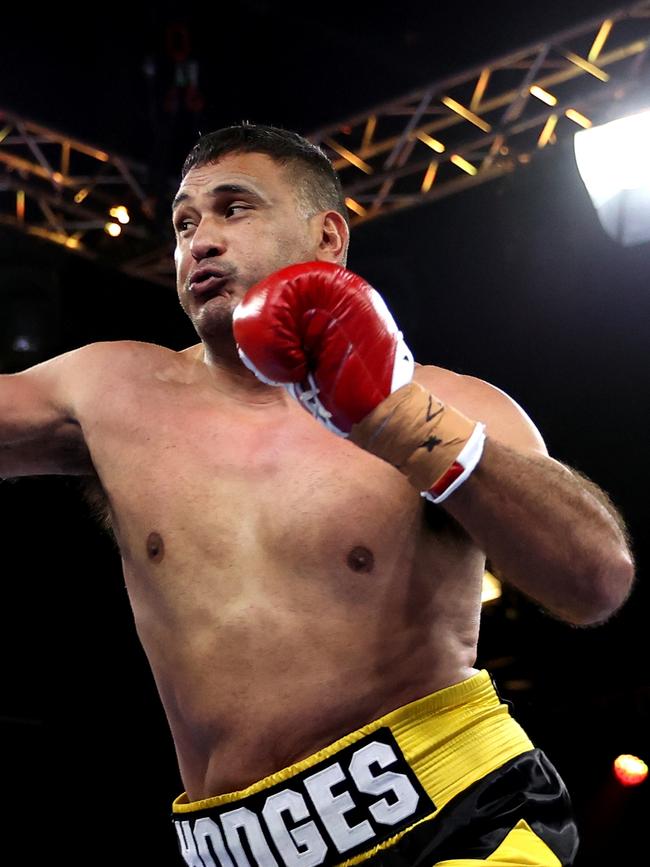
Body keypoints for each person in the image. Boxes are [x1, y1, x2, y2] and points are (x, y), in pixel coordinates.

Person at [0, 123, 634, 867]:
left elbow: (596, 579)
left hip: (456, 819)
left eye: (234, 208)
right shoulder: (108, 393)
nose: (199, 239)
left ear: (327, 235)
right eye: (184, 222)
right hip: (238, 849)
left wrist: (402, 423)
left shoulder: (442, 400)